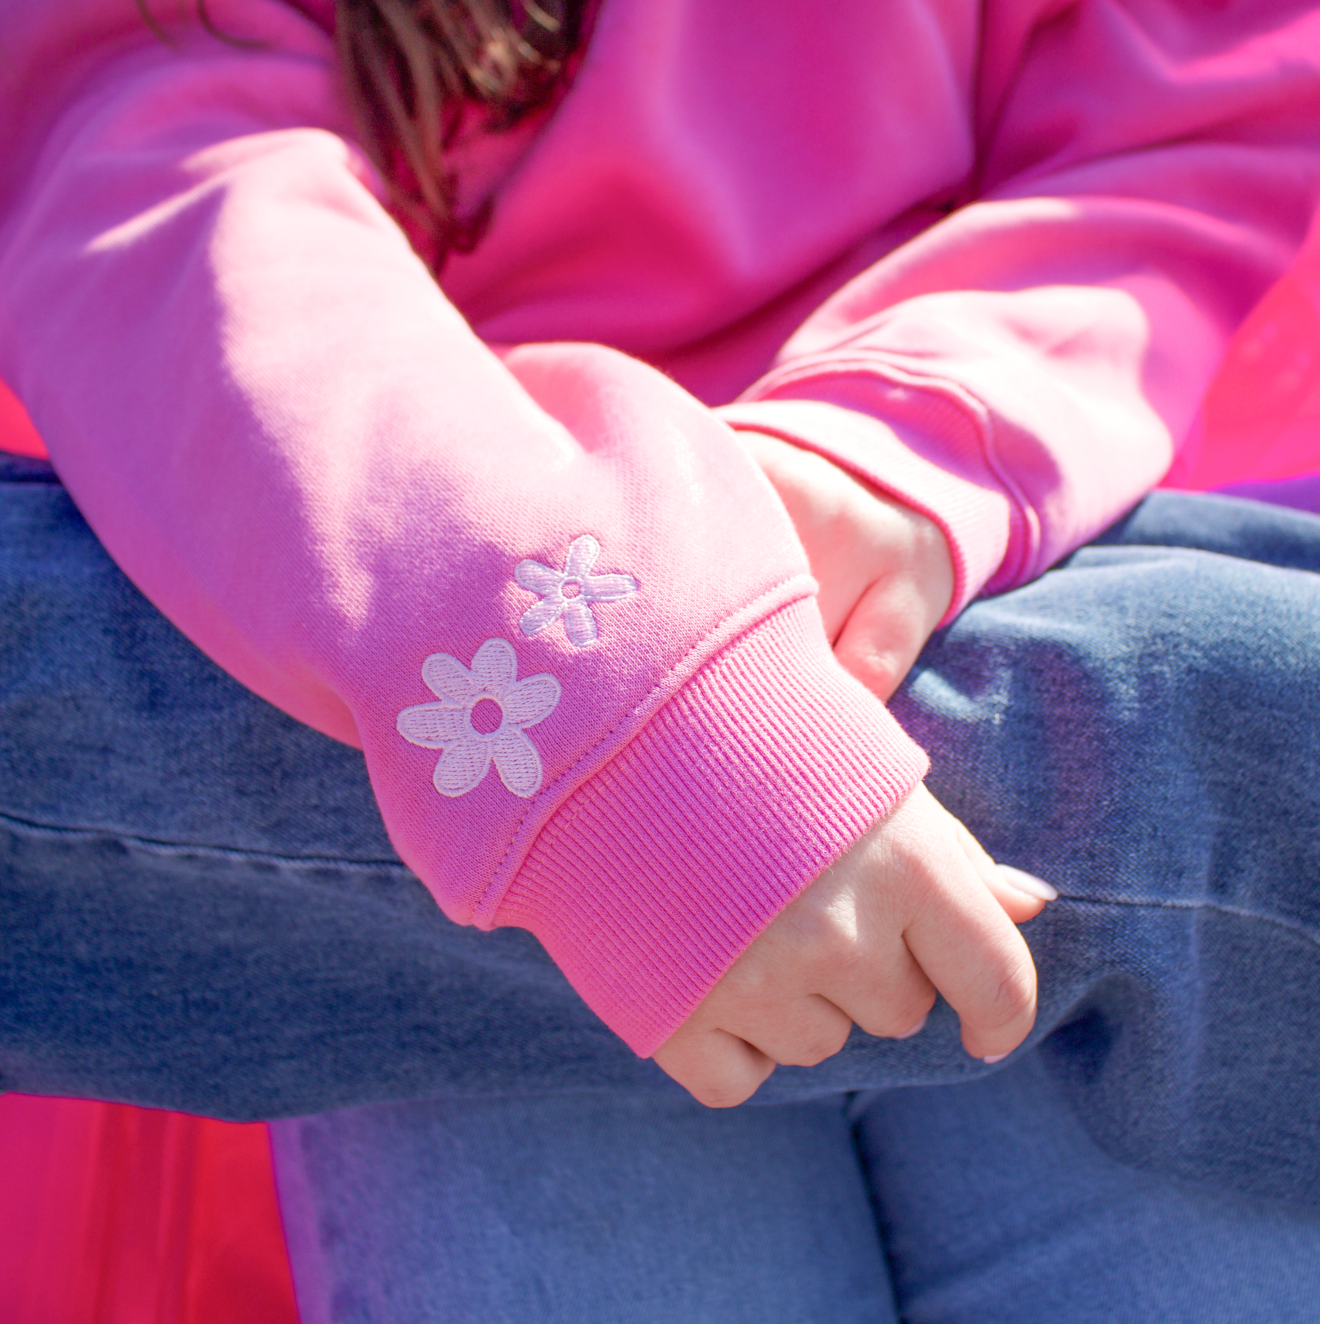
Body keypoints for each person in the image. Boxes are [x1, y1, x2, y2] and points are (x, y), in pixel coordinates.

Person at [3, 0, 1320, 1319]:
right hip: (494, 727)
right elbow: (176, 195)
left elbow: (1194, 100)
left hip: (955, 596)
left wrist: (883, 439)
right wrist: (617, 701)